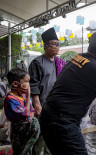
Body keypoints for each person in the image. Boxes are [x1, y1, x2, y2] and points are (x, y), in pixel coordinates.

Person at [28, 27, 66, 155]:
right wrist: (37, 106)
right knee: (39, 138)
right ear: (45, 45)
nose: (56, 47)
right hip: (42, 107)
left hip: (56, 107)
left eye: (58, 44)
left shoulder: (59, 63)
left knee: (53, 139)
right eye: (53, 44)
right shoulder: (37, 63)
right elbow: (33, 85)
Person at [4, 68, 40, 154]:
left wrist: (29, 112)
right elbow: (25, 114)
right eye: (26, 81)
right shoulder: (11, 99)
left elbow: (31, 111)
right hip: (18, 132)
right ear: (16, 84)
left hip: (26, 131)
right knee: (20, 151)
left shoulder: (22, 96)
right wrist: (28, 97)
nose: (29, 84)